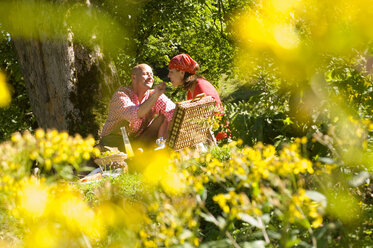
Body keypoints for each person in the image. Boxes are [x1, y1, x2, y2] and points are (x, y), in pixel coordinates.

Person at [99, 64, 175, 151]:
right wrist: (155, 96)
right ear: (134, 77)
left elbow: (173, 112)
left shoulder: (154, 94)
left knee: (164, 116)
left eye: (152, 75)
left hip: (137, 140)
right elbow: (132, 115)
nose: (150, 78)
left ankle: (161, 146)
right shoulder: (121, 95)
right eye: (146, 74)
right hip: (114, 140)